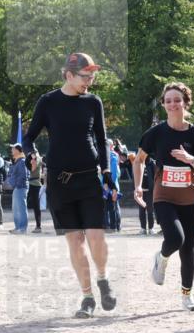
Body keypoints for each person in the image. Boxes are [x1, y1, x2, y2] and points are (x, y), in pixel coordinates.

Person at [22, 52, 119, 318]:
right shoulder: (48, 102)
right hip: (59, 181)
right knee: (75, 241)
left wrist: (107, 171)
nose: (90, 81)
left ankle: (103, 279)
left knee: (96, 236)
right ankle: (87, 297)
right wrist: (31, 154)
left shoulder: (93, 102)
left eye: (92, 76)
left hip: (88, 178)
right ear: (68, 75)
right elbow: (28, 138)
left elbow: (101, 139)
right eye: (85, 76)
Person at [133, 82, 194, 311]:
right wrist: (138, 186)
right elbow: (139, 160)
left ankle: (187, 296)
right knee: (175, 239)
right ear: (163, 104)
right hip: (164, 195)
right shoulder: (156, 133)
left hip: (190, 196)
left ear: (186, 103)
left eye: (177, 100)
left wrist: (190, 159)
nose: (172, 104)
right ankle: (161, 257)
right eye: (168, 101)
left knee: (188, 250)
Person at [7, 144, 30, 233]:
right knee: (16, 209)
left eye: (13, 149)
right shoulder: (18, 161)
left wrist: (17, 184)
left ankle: (22, 228)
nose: (12, 150)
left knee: (21, 209)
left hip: (20, 187)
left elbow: (23, 175)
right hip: (17, 187)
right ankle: (18, 228)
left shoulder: (22, 161)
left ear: (17, 150)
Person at [26, 146, 44, 233]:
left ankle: (38, 226)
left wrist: (33, 159)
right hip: (33, 183)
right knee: (34, 205)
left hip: (34, 183)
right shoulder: (38, 157)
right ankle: (37, 226)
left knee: (36, 206)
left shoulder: (36, 158)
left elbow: (33, 169)